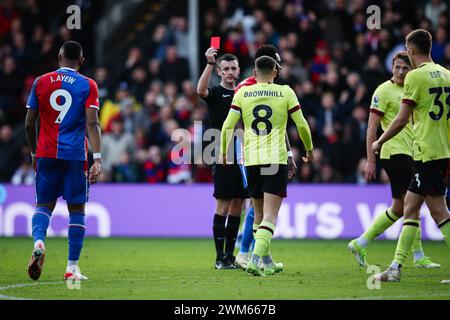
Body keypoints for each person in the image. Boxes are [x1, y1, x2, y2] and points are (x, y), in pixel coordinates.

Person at [220, 56, 313, 276]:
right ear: (274, 70)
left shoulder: (242, 92)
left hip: (251, 160)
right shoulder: (286, 92)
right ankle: (254, 260)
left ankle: (265, 261)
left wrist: (224, 152)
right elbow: (301, 124)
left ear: (254, 70)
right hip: (274, 160)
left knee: (259, 213)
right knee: (270, 216)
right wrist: (308, 149)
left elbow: (227, 126)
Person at [348, 51, 439, 268]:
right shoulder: (383, 91)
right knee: (414, 202)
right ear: (391, 67)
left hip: (413, 152)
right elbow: (371, 128)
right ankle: (417, 256)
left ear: (412, 70)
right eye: (397, 67)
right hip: (394, 153)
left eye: (405, 68)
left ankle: (361, 242)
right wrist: (370, 160)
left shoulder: (414, 88)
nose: (400, 71)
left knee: (400, 206)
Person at [372, 29, 450, 282]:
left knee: (439, 212)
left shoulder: (415, 77)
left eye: (407, 48)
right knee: (410, 206)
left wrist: (380, 140)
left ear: (412, 50)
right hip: (440, 149)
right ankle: (395, 268)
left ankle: (395, 268)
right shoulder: (447, 75)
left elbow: (402, 117)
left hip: (427, 151)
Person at [25, 40, 101, 281]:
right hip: (74, 155)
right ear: (82, 61)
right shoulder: (88, 84)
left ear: (59, 57)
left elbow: (29, 123)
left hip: (46, 154)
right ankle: (71, 268)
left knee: (43, 205)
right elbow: (92, 123)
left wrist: (34, 152)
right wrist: (97, 158)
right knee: (76, 209)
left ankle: (39, 242)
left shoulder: (40, 81)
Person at [234, 44, 298, 270]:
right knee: (257, 204)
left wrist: (289, 152)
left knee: (259, 205)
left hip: (269, 150)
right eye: (277, 64)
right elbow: (237, 124)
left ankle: (264, 257)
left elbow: (279, 127)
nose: (279, 69)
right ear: (269, 65)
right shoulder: (247, 87)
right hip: (249, 150)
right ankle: (245, 253)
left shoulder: (271, 88)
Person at [197, 49, 247, 269]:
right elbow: (200, 90)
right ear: (219, 71)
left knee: (238, 207)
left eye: (233, 68)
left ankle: (229, 256)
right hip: (223, 154)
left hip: (244, 156)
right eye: (225, 68)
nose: (229, 72)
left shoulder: (245, 93)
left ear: (238, 70)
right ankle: (219, 258)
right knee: (223, 207)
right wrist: (209, 63)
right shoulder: (216, 93)